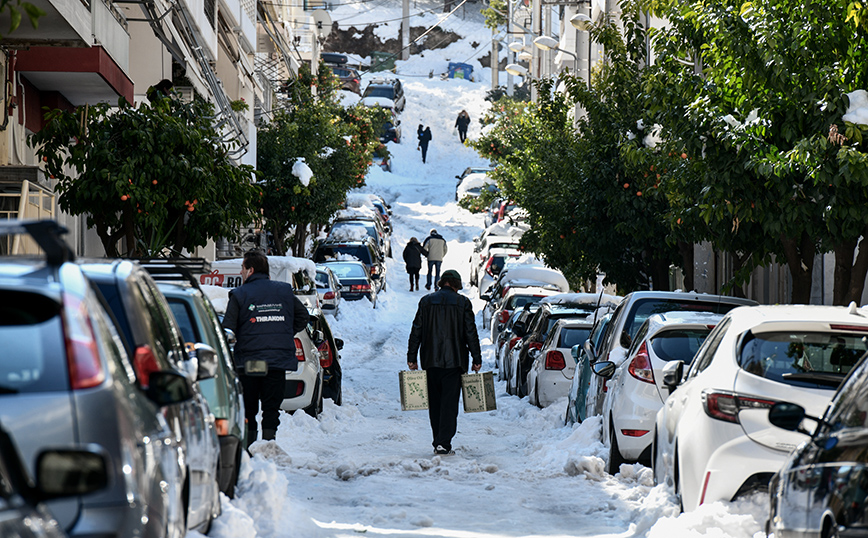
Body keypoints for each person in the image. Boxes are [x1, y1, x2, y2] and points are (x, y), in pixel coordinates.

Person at [222, 250, 309, 448]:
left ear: (251, 270)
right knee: (271, 408)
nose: (241, 273)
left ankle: (250, 448)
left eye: (243, 268)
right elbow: (303, 316)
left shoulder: (239, 294)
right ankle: (269, 446)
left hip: (251, 361)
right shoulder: (284, 292)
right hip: (276, 362)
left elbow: (227, 328)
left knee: (249, 407)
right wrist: (284, 333)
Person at [407, 269, 482, 455]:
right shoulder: (462, 302)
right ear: (456, 285)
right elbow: (470, 332)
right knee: (449, 404)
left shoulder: (426, 301)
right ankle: (444, 442)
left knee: (435, 403)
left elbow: (416, 330)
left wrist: (411, 356)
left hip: (430, 361)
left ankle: (438, 440)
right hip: (454, 362)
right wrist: (476, 358)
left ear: (442, 283)